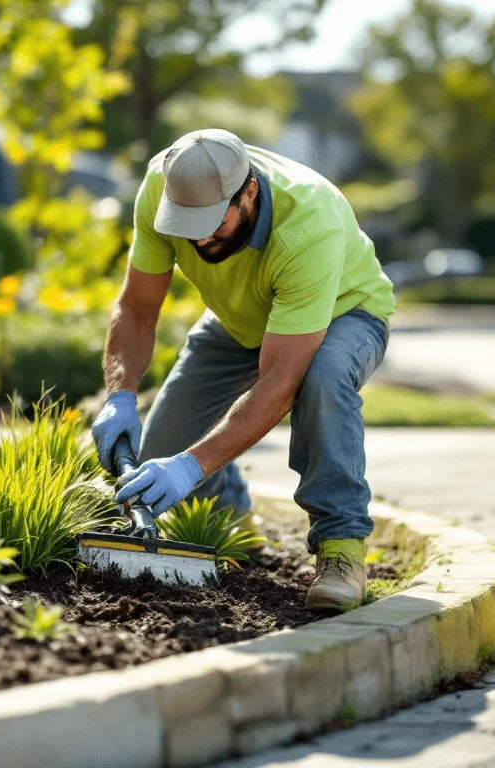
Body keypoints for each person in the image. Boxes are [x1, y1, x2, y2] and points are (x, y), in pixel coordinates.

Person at [91, 129, 395, 611]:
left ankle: (342, 550)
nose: (198, 236)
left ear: (248, 191)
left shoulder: (310, 222)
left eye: (211, 221)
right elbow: (137, 309)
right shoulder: (160, 184)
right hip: (239, 319)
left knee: (322, 378)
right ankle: (234, 522)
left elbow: (279, 384)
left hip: (343, 314)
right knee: (162, 450)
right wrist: (120, 395)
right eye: (185, 223)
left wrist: (191, 466)